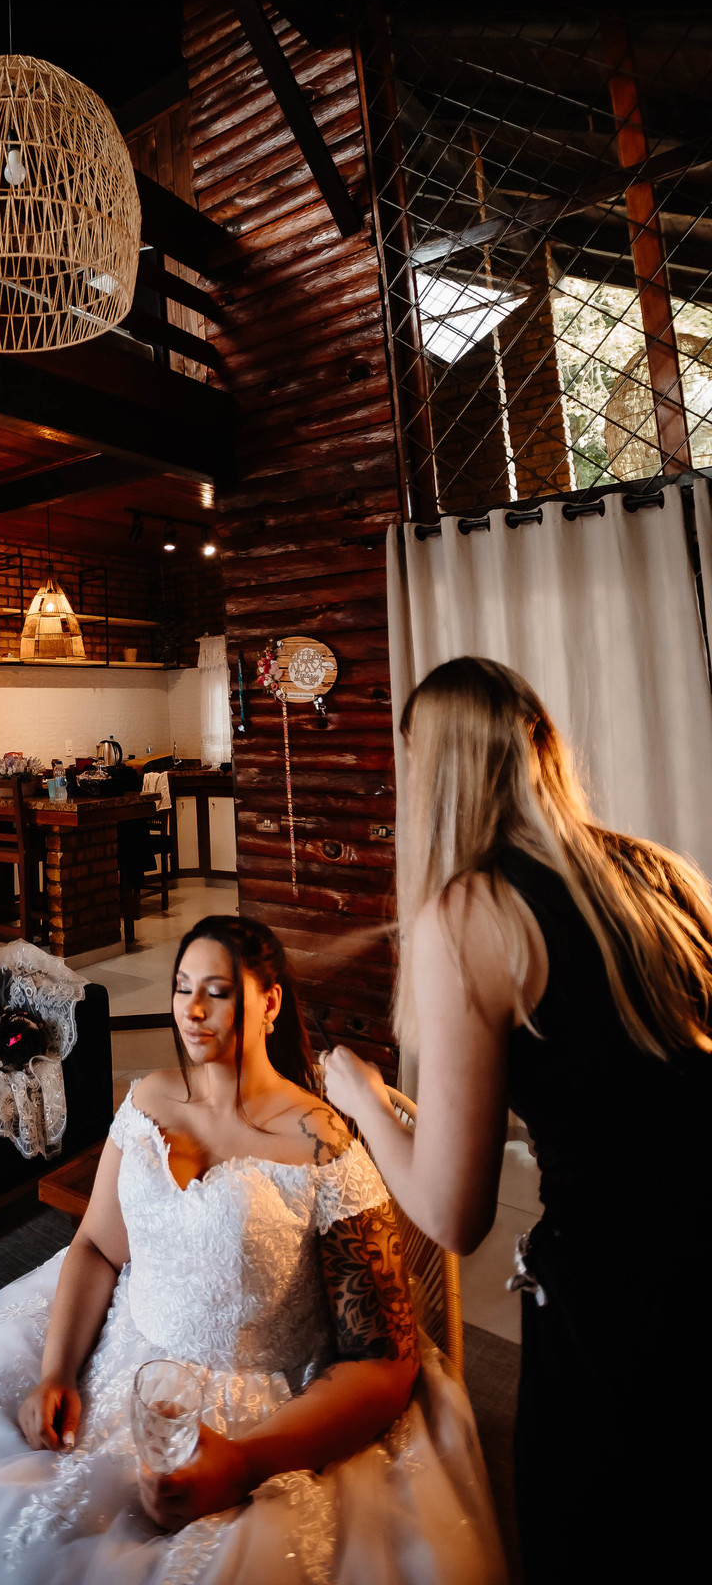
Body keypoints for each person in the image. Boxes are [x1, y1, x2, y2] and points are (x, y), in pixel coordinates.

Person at [0, 915, 504, 1584]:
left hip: (258, 1405)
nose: (191, 1011)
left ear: (269, 1004)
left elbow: (383, 1361)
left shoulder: (324, 1145)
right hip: (122, 1355)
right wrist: (57, 1373)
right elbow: (97, 1248)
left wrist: (246, 1462)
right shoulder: (146, 1103)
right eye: (182, 988)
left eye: (217, 992)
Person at [323, 655, 712, 1583]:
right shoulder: (655, 871)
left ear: (435, 769)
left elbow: (452, 1215)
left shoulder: (471, 913)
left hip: (622, 1300)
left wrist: (366, 1098)